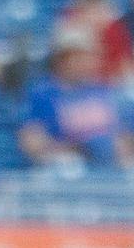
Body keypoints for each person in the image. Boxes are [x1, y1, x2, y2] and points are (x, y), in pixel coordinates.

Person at [21, 32, 134, 171]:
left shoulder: (102, 90)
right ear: (62, 59)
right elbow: (32, 144)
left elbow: (125, 137)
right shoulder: (42, 94)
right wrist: (83, 148)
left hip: (111, 167)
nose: (88, 62)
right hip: (68, 169)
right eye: (80, 57)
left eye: (90, 56)